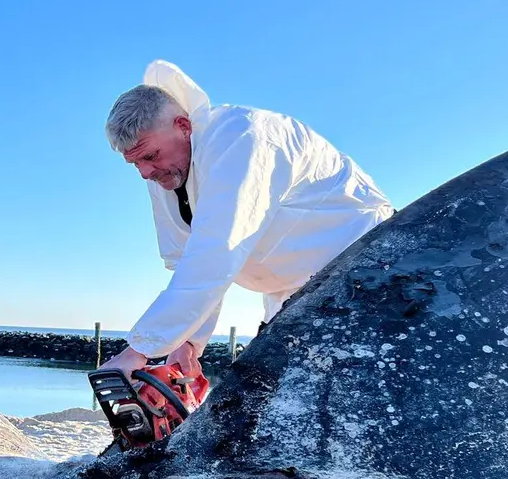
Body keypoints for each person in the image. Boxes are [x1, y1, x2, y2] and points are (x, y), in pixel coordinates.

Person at [98, 61, 394, 381]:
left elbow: (217, 251)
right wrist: (188, 341)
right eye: (135, 164)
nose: (145, 172)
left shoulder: (240, 137)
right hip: (289, 293)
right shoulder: (165, 174)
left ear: (183, 125)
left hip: (364, 265)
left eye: (150, 155)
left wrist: (138, 350)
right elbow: (187, 262)